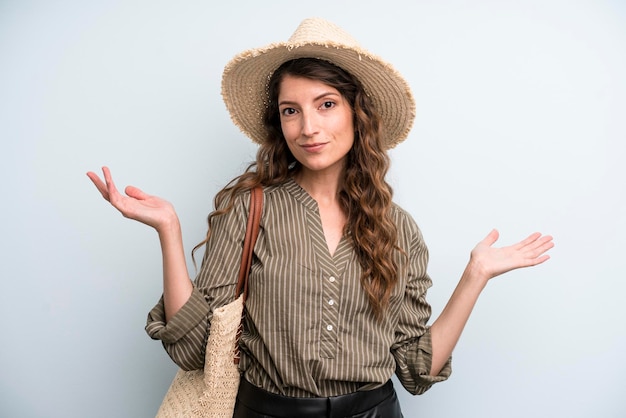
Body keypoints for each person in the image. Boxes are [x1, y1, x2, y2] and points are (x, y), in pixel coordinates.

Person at [87, 17, 554, 418]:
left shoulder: (398, 227)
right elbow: (192, 350)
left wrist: (475, 275)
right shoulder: (251, 208)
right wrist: (169, 230)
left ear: (357, 113)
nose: (307, 127)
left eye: (326, 104)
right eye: (291, 111)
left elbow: (417, 370)